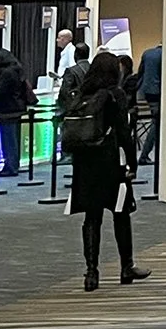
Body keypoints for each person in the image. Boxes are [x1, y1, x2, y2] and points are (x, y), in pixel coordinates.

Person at [66, 52, 149, 292]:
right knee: (121, 213)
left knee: (91, 218)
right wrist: (132, 164)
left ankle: (91, 272)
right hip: (110, 162)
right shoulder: (115, 94)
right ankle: (126, 266)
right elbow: (124, 133)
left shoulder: (82, 94)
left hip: (84, 163)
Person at [0, 49, 33, 177]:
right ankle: (14, 164)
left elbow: (1, 91)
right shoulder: (17, 70)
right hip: (17, 108)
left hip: (7, 109)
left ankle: (10, 167)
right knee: (14, 138)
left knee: (8, 139)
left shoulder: (6, 73)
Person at [134, 43, 163, 165]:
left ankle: (147, 154)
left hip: (146, 91)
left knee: (156, 122)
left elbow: (140, 73)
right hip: (158, 91)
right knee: (156, 123)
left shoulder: (147, 53)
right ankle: (144, 155)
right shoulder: (165, 54)